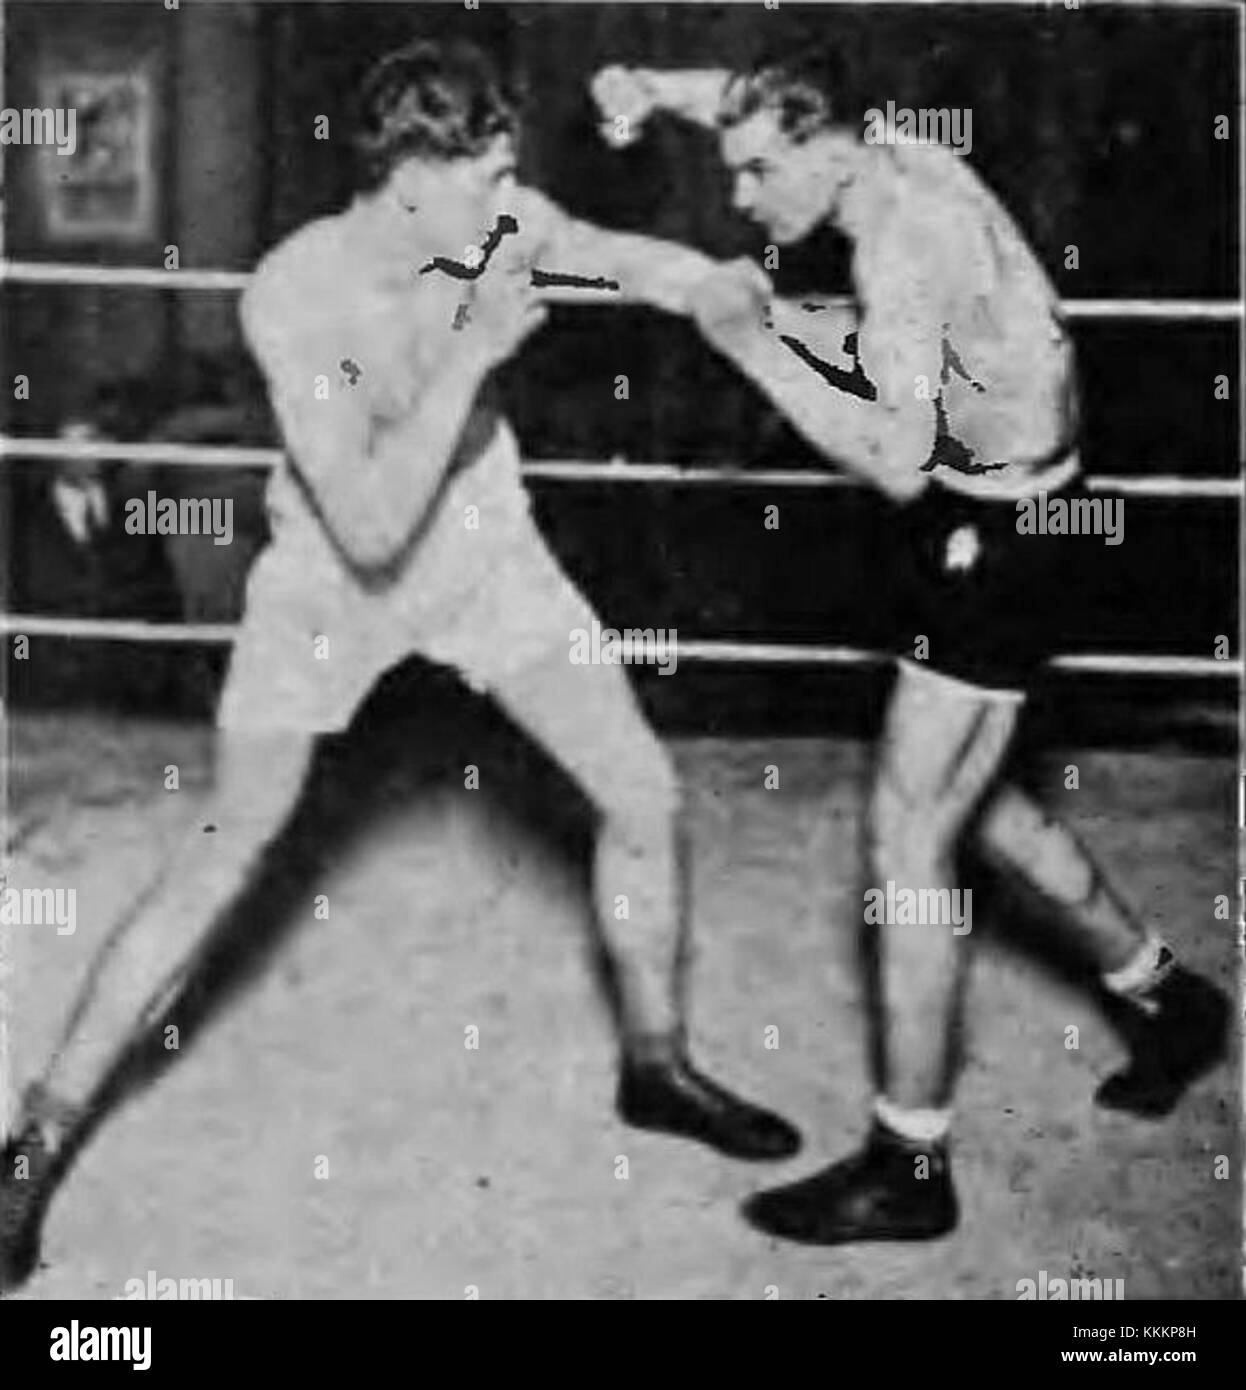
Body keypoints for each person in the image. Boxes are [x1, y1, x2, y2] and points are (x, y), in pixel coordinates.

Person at [0, 39, 800, 1294]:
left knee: (644, 795)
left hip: (487, 555)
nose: (505, 198)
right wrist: (477, 353)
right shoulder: (294, 292)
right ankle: (32, 1145)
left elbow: (625, 257)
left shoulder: (500, 218)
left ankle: (655, 1060)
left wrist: (717, 287)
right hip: (332, 582)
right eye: (483, 176)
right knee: (225, 851)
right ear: (412, 177)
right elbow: (368, 521)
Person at [591, 53, 1229, 1245]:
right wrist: (646, 83)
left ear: (825, 148)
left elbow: (891, 461)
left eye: (757, 171)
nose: (740, 196)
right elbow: (745, 87)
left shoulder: (899, 242)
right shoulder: (881, 144)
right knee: (970, 802)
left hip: (1002, 535)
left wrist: (748, 343)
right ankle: (1169, 998)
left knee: (906, 832)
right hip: (1005, 509)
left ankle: (909, 1163)